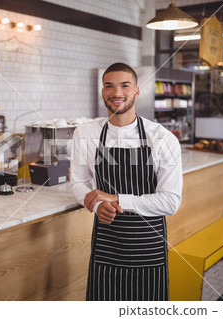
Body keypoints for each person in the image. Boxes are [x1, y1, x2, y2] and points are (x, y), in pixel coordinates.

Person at [70, 62, 183, 301]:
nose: (116, 93)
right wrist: (98, 205)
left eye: (125, 85)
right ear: (103, 92)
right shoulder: (86, 133)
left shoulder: (162, 138)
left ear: (137, 91)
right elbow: (78, 182)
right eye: (109, 86)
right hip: (107, 245)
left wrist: (115, 198)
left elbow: (171, 202)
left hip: (148, 247)